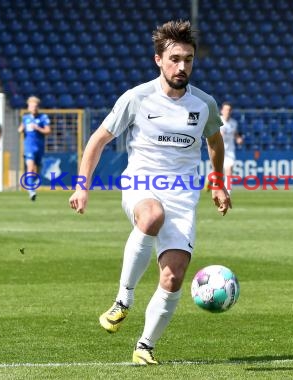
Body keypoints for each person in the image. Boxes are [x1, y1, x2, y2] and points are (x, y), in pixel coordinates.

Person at [69, 20, 231, 365]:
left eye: (188, 59)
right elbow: (98, 140)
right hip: (142, 183)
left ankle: (145, 346)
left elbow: (215, 142)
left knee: (173, 277)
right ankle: (123, 300)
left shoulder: (204, 104)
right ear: (159, 59)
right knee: (152, 215)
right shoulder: (137, 97)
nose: (182, 66)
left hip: (183, 194)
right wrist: (82, 186)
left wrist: (217, 183)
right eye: (174, 59)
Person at [18, 96, 51, 201]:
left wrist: (37, 128)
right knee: (30, 168)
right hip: (29, 146)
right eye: (31, 106)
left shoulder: (43, 117)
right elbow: (20, 129)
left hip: (39, 147)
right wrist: (21, 129)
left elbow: (48, 131)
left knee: (38, 170)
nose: (33, 108)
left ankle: (33, 182)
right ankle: (31, 191)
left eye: (35, 106)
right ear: (28, 107)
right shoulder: (25, 118)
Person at [219, 102, 243, 194]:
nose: (227, 111)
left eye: (229, 110)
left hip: (230, 150)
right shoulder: (218, 121)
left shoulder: (234, 123)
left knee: (229, 169)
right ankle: (208, 180)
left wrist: (238, 139)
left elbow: (235, 134)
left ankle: (227, 193)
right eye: (225, 109)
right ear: (222, 111)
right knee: (218, 172)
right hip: (219, 150)